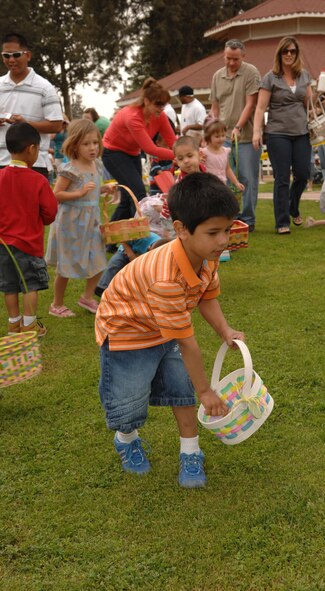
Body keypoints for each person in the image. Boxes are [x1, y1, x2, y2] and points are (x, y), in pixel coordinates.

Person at [95, 172, 244, 487]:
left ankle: (191, 452)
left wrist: (224, 329)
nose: (223, 240)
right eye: (214, 232)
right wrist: (206, 391)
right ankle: (126, 437)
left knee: (180, 386)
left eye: (227, 230)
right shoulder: (167, 278)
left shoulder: (208, 255)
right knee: (129, 401)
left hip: (162, 324)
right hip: (126, 331)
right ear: (181, 230)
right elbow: (188, 343)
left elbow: (207, 296)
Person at [46, 119, 115, 317]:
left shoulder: (96, 165)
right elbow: (56, 195)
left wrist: (104, 189)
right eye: (86, 144)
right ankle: (56, 304)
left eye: (95, 142)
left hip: (92, 222)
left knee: (99, 260)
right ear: (75, 144)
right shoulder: (71, 169)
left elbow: (91, 190)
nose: (92, 148)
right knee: (66, 265)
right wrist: (79, 193)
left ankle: (87, 297)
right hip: (71, 223)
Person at [0, 123, 57, 336]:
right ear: (31, 149)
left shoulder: (0, 177)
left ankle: (14, 324)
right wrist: (42, 219)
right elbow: (50, 212)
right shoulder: (38, 180)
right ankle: (29, 324)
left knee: (10, 286)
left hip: (3, 245)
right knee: (30, 286)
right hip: (29, 245)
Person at [252, 36, 312, 234]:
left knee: (303, 174)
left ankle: (293, 206)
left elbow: (309, 105)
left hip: (301, 132)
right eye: (285, 51)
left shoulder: (304, 76)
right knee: (282, 178)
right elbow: (260, 108)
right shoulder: (270, 77)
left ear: (297, 54)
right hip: (278, 133)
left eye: (292, 51)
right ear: (279, 54)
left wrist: (320, 105)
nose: (289, 54)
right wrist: (256, 132)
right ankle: (282, 222)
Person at [102, 77, 176, 222]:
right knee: (138, 194)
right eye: (158, 104)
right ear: (146, 101)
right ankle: (140, 236)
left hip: (131, 153)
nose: (161, 108)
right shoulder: (132, 116)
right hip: (113, 153)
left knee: (128, 199)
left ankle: (111, 241)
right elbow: (150, 149)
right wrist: (180, 155)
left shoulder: (160, 116)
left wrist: (189, 151)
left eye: (164, 105)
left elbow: (173, 141)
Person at [210, 39, 261, 232]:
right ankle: (231, 218)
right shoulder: (217, 76)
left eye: (236, 59)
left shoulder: (251, 72)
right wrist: (212, 128)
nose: (231, 63)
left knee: (246, 178)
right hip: (222, 138)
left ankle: (248, 220)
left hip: (246, 136)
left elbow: (250, 104)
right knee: (225, 178)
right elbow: (215, 107)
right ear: (224, 55)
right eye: (228, 58)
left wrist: (238, 127)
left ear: (243, 57)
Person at [0, 33, 63, 177]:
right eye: (6, 55)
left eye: (16, 55)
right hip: (1, 162)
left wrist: (26, 124)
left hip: (34, 164)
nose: (11, 60)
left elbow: (57, 125)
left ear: (28, 55)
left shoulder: (45, 88)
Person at [95, 234, 168, 297]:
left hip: (139, 257)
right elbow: (123, 239)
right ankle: (102, 287)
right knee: (115, 263)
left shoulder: (162, 251)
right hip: (125, 251)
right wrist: (130, 255)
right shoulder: (143, 237)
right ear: (149, 248)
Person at [200, 118, 244, 190]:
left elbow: (227, 169)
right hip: (208, 186)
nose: (221, 139)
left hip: (222, 185)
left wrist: (236, 182)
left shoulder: (225, 151)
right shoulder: (204, 152)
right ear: (208, 137)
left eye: (223, 135)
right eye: (217, 136)